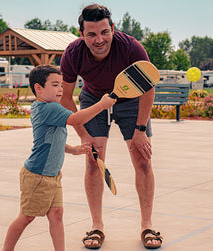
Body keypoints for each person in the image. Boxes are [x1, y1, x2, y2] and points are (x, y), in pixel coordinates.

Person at [59, 4, 163, 249]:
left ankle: (147, 226)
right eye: (92, 34)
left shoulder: (131, 48)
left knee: (143, 160)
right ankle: (97, 226)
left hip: (131, 101)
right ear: (81, 34)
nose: (99, 40)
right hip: (94, 100)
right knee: (94, 162)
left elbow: (148, 88)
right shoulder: (73, 53)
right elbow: (65, 98)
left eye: (104, 32)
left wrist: (140, 131)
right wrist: (83, 135)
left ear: (112, 28)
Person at [2, 65, 116, 251]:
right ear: (38, 88)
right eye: (55, 85)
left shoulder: (47, 108)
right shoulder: (49, 108)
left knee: (56, 214)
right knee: (26, 217)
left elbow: (50, 140)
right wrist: (102, 105)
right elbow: (77, 119)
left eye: (62, 85)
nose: (61, 89)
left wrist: (72, 149)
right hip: (37, 176)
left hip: (53, 175)